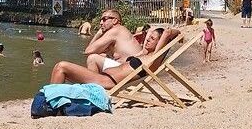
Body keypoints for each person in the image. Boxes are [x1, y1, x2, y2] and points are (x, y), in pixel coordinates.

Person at [49, 27, 180, 87]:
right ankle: (51, 100)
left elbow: (169, 32)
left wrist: (179, 34)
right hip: (103, 78)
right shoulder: (145, 55)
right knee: (60, 67)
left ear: (161, 43)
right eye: (148, 37)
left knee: (61, 67)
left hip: (106, 82)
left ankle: (49, 103)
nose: (147, 40)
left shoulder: (154, 58)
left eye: (152, 38)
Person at [82, 10, 144, 74]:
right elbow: (91, 51)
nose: (101, 23)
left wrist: (98, 34)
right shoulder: (121, 31)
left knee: (92, 58)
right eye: (100, 20)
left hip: (132, 70)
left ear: (114, 21)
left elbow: (87, 51)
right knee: (101, 55)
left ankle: (94, 83)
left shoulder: (115, 31)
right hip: (137, 69)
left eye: (104, 19)